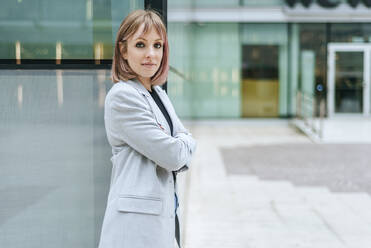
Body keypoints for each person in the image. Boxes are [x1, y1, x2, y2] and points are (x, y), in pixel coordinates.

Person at [98, 9, 197, 248]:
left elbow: (183, 141)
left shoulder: (159, 94)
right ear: (123, 49)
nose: (151, 55)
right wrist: (182, 143)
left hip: (161, 217)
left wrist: (181, 142)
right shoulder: (123, 96)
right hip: (134, 225)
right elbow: (173, 155)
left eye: (157, 45)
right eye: (140, 45)